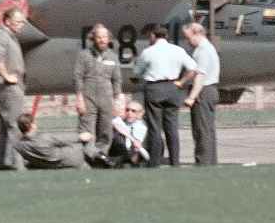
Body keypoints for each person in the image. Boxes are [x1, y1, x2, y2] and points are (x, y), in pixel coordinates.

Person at [135, 24, 197, 167]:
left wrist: (135, 61)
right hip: (172, 87)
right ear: (166, 36)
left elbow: (138, 70)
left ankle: (154, 161)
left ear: (152, 36)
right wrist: (181, 82)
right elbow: (193, 68)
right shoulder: (178, 50)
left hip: (155, 87)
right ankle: (175, 161)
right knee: (172, 127)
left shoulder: (148, 52)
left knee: (155, 127)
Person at [74, 24, 126, 159]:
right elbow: (77, 77)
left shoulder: (113, 57)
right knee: (87, 128)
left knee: (105, 129)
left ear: (108, 38)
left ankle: (102, 156)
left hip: (106, 97)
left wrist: (118, 100)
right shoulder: (84, 55)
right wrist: (79, 99)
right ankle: (89, 157)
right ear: (93, 38)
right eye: (99, 37)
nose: (102, 40)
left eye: (104, 37)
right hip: (88, 97)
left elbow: (117, 79)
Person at [0, 7, 27, 170]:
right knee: (15, 126)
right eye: (18, 22)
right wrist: (7, 76)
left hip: (11, 87)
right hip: (9, 88)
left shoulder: (10, 36)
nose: (21, 25)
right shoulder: (3, 36)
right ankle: (15, 164)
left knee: (5, 128)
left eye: (22, 22)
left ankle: (4, 164)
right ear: (7, 21)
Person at [182, 22, 221, 166]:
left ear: (197, 33)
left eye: (188, 37)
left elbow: (200, 75)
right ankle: (210, 161)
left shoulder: (202, 51)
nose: (188, 41)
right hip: (210, 90)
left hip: (203, 91)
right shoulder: (208, 48)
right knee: (208, 129)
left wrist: (192, 96)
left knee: (201, 130)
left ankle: (202, 162)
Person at [14, 113, 92, 169]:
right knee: (85, 145)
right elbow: (64, 139)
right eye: (34, 122)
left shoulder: (18, 145)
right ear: (31, 126)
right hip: (72, 161)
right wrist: (81, 136)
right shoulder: (44, 138)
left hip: (49, 166)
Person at [111, 100, 151, 166]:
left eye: (133, 111)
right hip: (122, 151)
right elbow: (116, 124)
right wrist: (133, 139)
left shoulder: (143, 125)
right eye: (127, 110)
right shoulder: (120, 120)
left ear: (140, 114)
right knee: (118, 138)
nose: (129, 113)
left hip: (137, 152)